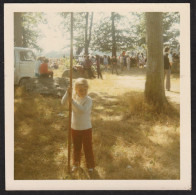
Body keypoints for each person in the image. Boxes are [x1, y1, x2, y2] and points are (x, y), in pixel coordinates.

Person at [61, 78, 95, 175]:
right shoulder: (74, 98)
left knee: (88, 147)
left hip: (86, 128)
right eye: (80, 90)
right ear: (76, 90)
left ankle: (90, 166)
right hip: (75, 128)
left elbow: (82, 110)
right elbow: (63, 102)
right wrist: (67, 92)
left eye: (85, 90)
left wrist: (71, 100)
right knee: (76, 147)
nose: (83, 92)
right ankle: (76, 164)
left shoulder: (88, 100)